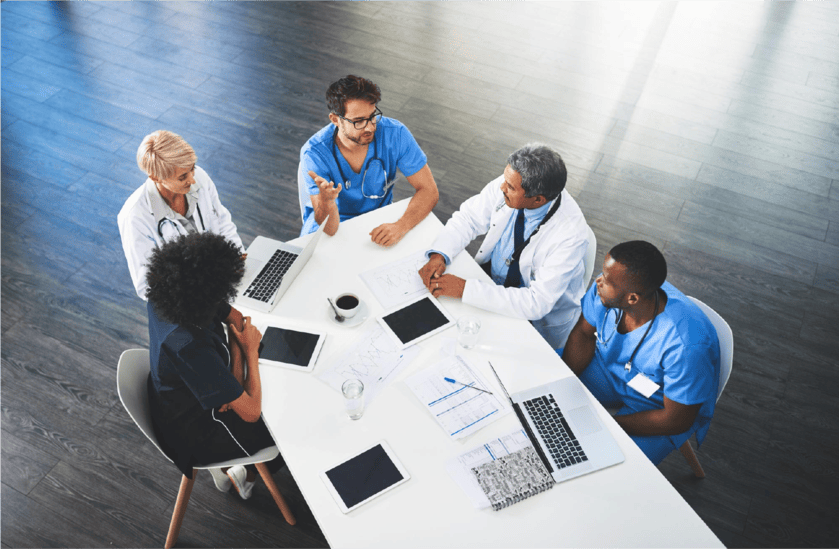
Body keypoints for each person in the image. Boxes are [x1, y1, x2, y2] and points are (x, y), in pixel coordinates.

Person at [145, 232, 282, 499]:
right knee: (284, 429)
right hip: (197, 433)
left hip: (182, 395)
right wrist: (247, 351)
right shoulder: (187, 345)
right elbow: (251, 412)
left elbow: (236, 318)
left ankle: (240, 465)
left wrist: (235, 355)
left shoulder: (171, 291)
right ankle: (245, 474)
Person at [562, 241, 720, 465]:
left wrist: (610, 424)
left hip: (659, 407)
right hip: (608, 369)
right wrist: (561, 383)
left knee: (605, 467)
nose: (598, 281)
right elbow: (583, 334)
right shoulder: (610, 289)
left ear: (632, 298)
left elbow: (675, 420)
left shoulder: (687, 346)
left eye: (606, 281)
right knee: (538, 385)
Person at [418, 144, 590, 350]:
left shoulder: (570, 234)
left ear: (538, 200)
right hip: (491, 281)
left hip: (533, 317)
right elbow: (469, 218)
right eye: (504, 180)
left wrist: (466, 289)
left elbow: (537, 303)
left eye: (510, 187)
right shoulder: (511, 181)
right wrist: (440, 254)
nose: (502, 188)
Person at [297, 75, 439, 245]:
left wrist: (401, 226)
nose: (370, 127)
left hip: (377, 221)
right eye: (358, 122)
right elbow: (330, 229)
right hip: (333, 227)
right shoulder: (314, 154)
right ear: (335, 120)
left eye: (372, 116)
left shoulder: (395, 134)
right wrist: (327, 202)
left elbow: (429, 190)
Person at [118, 130, 244, 300]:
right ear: (156, 177)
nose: (192, 179)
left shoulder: (199, 177)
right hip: (192, 301)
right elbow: (148, 286)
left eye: (192, 168)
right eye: (182, 177)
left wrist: (238, 259)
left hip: (227, 278)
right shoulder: (135, 217)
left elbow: (222, 221)